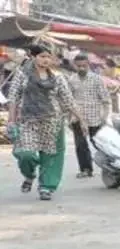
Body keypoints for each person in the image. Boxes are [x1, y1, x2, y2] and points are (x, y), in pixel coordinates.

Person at [9, 46, 84, 200]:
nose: (46, 60)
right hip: (28, 121)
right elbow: (13, 98)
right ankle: (29, 175)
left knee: (50, 156)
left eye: (48, 57)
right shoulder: (22, 75)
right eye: (42, 56)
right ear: (33, 57)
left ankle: (46, 187)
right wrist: (11, 120)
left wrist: (81, 119)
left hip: (52, 121)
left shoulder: (58, 77)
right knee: (25, 155)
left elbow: (68, 100)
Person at [66, 53, 111, 179]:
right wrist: (69, 119)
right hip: (77, 118)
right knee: (80, 145)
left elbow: (106, 100)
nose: (81, 68)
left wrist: (105, 118)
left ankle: (111, 167)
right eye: (79, 66)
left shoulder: (97, 79)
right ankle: (86, 169)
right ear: (75, 66)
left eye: (84, 66)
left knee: (100, 145)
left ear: (88, 65)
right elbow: (68, 101)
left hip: (95, 118)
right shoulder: (71, 79)